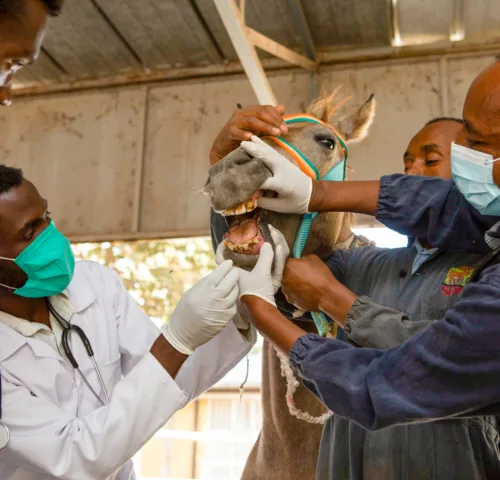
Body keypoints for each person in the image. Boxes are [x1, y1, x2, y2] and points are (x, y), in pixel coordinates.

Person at [0, 2, 288, 478]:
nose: (51, 237)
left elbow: (166, 379)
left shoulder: (93, 287)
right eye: (30, 233)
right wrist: (175, 340)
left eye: (46, 218)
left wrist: (240, 309)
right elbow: (74, 461)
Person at [214, 114, 500, 478]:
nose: (411, 171)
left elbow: (438, 357)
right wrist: (227, 175)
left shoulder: (490, 270)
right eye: (406, 162)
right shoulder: (364, 261)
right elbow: (267, 270)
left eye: (429, 160)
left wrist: (336, 300)